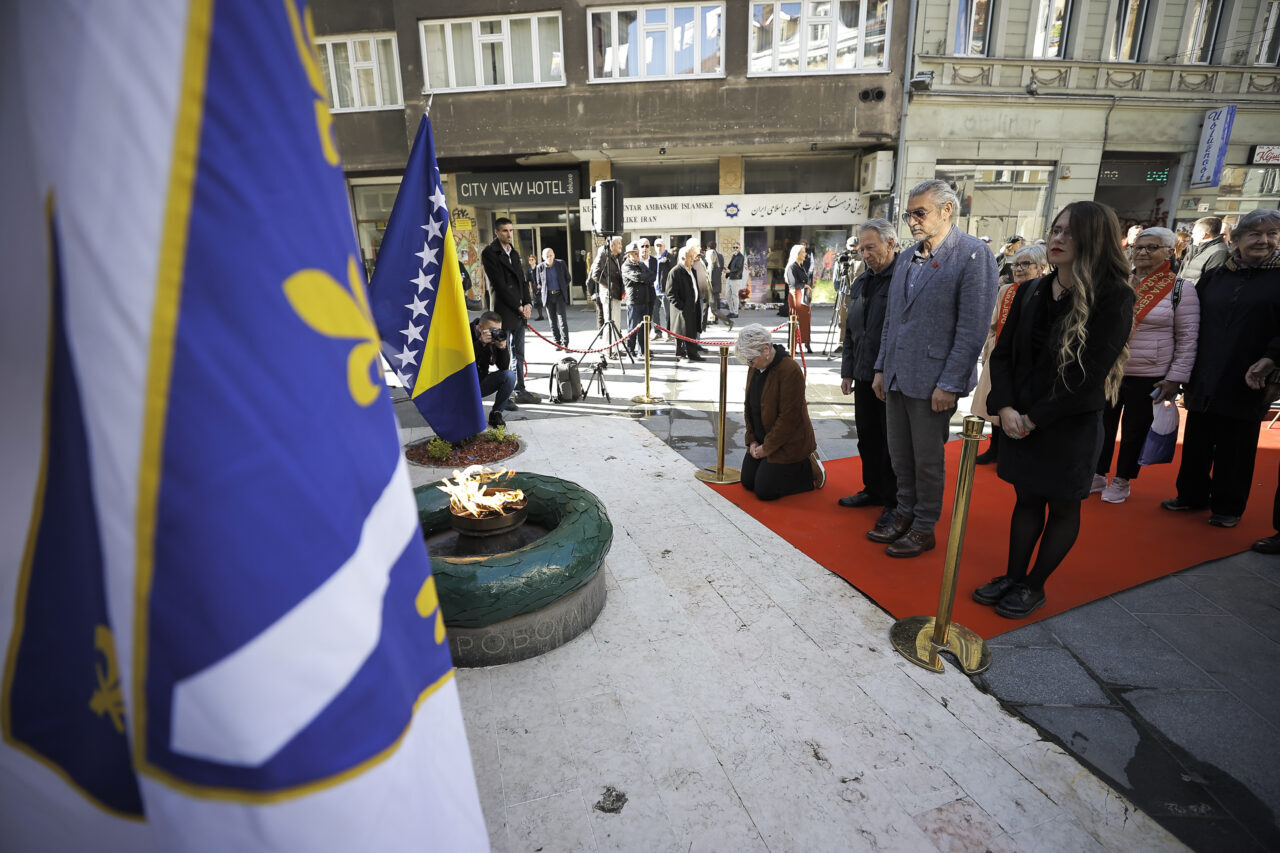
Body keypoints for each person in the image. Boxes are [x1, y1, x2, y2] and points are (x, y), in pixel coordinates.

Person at [977, 201, 1135, 618]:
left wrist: (1033, 418)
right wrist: (1006, 407)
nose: (1058, 238)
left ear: (1094, 239)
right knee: (1026, 500)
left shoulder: (1113, 296)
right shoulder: (1030, 290)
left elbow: (1088, 374)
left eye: (1070, 231)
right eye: (1056, 229)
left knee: (1063, 506)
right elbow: (1002, 353)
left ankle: (1034, 585)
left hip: (1067, 424)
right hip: (1019, 419)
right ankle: (1013, 576)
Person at [869, 179, 998, 558]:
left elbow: (972, 328)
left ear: (947, 211)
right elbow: (893, 319)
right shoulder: (907, 257)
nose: (912, 221)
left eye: (919, 213)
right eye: (909, 214)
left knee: (927, 459)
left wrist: (950, 383)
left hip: (933, 382)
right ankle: (904, 514)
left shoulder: (974, 256)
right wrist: (880, 368)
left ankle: (925, 526)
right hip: (896, 375)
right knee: (899, 455)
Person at [1162, 208, 1280, 527]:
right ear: (1236, 239)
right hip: (1206, 368)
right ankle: (1191, 495)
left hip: (1251, 373)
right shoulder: (1218, 275)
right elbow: (1192, 318)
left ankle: (1228, 506)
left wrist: (1272, 358)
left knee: (1236, 443)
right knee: (1198, 436)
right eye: (1255, 234)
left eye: (1272, 234)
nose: (1264, 240)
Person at [1093, 227, 1200, 503]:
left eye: (1152, 248)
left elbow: (1188, 337)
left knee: (1134, 430)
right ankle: (1097, 473)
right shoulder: (1119, 282)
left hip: (1150, 373)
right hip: (1111, 370)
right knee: (1100, 424)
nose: (1142, 252)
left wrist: (1175, 377)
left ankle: (1122, 479)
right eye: (1138, 247)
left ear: (1169, 252)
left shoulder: (1180, 289)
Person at [837, 219, 899, 517]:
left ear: (890, 243)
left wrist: (883, 369)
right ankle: (873, 489)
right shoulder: (862, 280)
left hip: (889, 376)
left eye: (870, 247)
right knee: (868, 437)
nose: (865, 254)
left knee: (891, 443)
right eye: (861, 248)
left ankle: (894, 501)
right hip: (862, 374)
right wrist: (847, 370)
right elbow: (851, 330)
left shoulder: (904, 277)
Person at [972, 244, 1051, 466]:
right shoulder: (1006, 291)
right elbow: (993, 324)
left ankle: (1013, 453)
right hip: (1001, 356)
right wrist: (989, 349)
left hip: (1028, 361)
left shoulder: (1045, 291)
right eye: (1016, 264)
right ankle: (994, 448)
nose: (1018, 269)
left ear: (1041, 267)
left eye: (1026, 264)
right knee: (996, 404)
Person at [734, 324, 825, 500]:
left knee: (764, 491)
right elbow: (749, 406)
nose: (749, 364)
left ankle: (807, 467)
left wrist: (767, 448)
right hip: (763, 436)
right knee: (747, 481)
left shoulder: (789, 370)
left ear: (766, 349)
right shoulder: (754, 366)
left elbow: (789, 419)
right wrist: (752, 440)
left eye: (751, 359)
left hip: (789, 441)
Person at [480, 218, 539, 405]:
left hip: (519, 311)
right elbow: (499, 284)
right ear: (496, 232)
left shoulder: (513, 252)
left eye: (511, 230)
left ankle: (520, 389)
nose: (509, 234)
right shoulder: (489, 252)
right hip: (502, 312)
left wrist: (528, 303)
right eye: (505, 230)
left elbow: (521, 279)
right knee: (501, 354)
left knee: (519, 353)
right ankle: (505, 396)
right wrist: (519, 306)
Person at [471, 311, 517, 428]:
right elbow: (462, 362)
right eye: (493, 330)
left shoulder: (494, 338)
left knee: (510, 376)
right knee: (472, 422)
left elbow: (503, 367)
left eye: (498, 330)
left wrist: (502, 349)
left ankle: (496, 413)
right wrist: (480, 343)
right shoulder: (465, 333)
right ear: (480, 327)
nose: (495, 333)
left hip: (481, 382)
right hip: (463, 386)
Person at [666, 244, 704, 362]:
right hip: (681, 310)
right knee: (681, 332)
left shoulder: (692, 270)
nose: (693, 259)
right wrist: (682, 306)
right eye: (690, 257)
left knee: (692, 331)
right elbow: (671, 294)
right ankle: (680, 355)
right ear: (683, 258)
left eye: (693, 257)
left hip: (692, 307)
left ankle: (693, 353)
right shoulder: (675, 272)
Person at [590, 236, 624, 359]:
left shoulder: (619, 256)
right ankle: (607, 350)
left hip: (617, 294)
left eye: (621, 243)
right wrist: (608, 285)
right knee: (609, 323)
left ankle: (615, 348)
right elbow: (595, 275)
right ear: (612, 245)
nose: (621, 245)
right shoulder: (603, 255)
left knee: (617, 323)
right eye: (619, 243)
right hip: (608, 295)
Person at [622, 241, 655, 358]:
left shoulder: (641, 264)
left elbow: (652, 276)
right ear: (628, 255)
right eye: (635, 254)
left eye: (637, 253)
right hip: (634, 301)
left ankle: (643, 351)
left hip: (645, 299)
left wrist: (643, 278)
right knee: (632, 327)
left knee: (644, 328)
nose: (637, 255)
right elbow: (637, 277)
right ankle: (630, 350)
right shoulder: (626, 266)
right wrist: (643, 278)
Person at [535, 247, 572, 348]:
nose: (549, 258)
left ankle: (565, 344)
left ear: (554, 255)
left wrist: (562, 288)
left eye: (551, 255)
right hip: (548, 297)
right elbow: (539, 282)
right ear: (543, 257)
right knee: (552, 322)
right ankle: (557, 342)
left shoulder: (561, 264)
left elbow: (568, 278)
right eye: (547, 256)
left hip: (559, 295)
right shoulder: (540, 267)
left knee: (562, 321)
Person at [833, 236, 863, 355]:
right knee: (843, 321)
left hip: (859, 295)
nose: (853, 248)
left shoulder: (863, 259)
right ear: (846, 245)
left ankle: (856, 343)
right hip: (845, 293)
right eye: (851, 246)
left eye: (855, 246)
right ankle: (841, 343)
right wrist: (840, 290)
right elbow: (836, 278)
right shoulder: (842, 259)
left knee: (858, 320)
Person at [1180, 216, 1231, 284]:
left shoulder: (1219, 252)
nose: (1192, 236)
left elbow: (1211, 282)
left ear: (1204, 234)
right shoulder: (1194, 248)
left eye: (1194, 233)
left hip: (1194, 293)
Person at [784, 243, 813, 355]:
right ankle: (793, 344)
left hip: (803, 296)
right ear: (797, 254)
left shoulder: (802, 266)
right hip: (795, 295)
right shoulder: (792, 267)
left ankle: (806, 342)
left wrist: (806, 287)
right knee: (795, 320)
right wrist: (805, 286)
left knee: (806, 320)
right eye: (803, 252)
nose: (805, 254)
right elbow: (793, 283)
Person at [653, 239, 675, 341]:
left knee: (668, 314)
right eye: (657, 245)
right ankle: (658, 332)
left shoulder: (669, 257)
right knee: (655, 313)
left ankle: (669, 334)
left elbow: (673, 273)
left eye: (660, 245)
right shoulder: (653, 259)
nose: (659, 247)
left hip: (666, 290)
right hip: (655, 290)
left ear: (664, 246)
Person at [705, 244, 724, 326]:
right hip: (717, 283)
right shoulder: (720, 257)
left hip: (712, 286)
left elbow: (710, 278)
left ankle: (712, 319)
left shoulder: (711, 265)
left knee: (711, 303)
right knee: (716, 302)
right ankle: (716, 319)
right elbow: (722, 268)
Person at [725, 241, 745, 317]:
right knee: (727, 295)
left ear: (739, 248)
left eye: (737, 247)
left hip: (736, 278)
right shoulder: (734, 256)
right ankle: (731, 311)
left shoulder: (741, 257)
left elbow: (739, 268)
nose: (735, 249)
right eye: (734, 247)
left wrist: (730, 270)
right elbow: (731, 267)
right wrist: (726, 269)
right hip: (729, 277)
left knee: (734, 295)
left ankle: (736, 313)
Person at [526, 253, 544, 320]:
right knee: (537, 301)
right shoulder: (529, 270)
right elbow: (529, 280)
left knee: (543, 300)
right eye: (530, 260)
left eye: (532, 259)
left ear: (535, 260)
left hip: (540, 286)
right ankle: (540, 316)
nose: (531, 261)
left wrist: (541, 285)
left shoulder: (538, 268)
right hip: (534, 287)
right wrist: (531, 288)